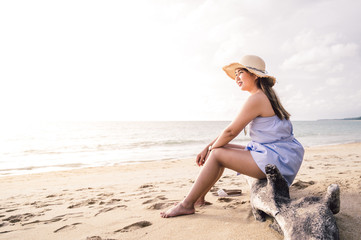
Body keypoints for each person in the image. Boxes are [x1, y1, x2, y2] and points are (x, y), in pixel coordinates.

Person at [160, 55, 304, 218]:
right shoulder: (264, 95)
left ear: (254, 75)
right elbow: (229, 131)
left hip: (277, 161)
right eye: (235, 74)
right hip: (280, 156)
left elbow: (231, 132)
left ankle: (187, 204)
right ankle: (199, 197)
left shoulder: (257, 98)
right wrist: (208, 147)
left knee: (217, 154)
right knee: (219, 149)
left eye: (240, 73)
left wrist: (210, 150)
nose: (236, 78)